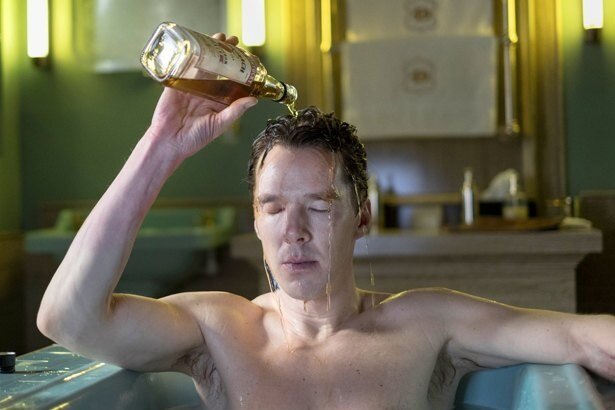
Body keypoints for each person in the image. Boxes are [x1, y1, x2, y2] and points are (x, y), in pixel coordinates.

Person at [38, 33, 615, 410]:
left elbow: (584, 339)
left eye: (318, 206)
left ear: (361, 217)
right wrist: (161, 145)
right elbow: (68, 318)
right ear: (256, 221)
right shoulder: (219, 330)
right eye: (273, 208)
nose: (294, 230)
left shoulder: (427, 324)